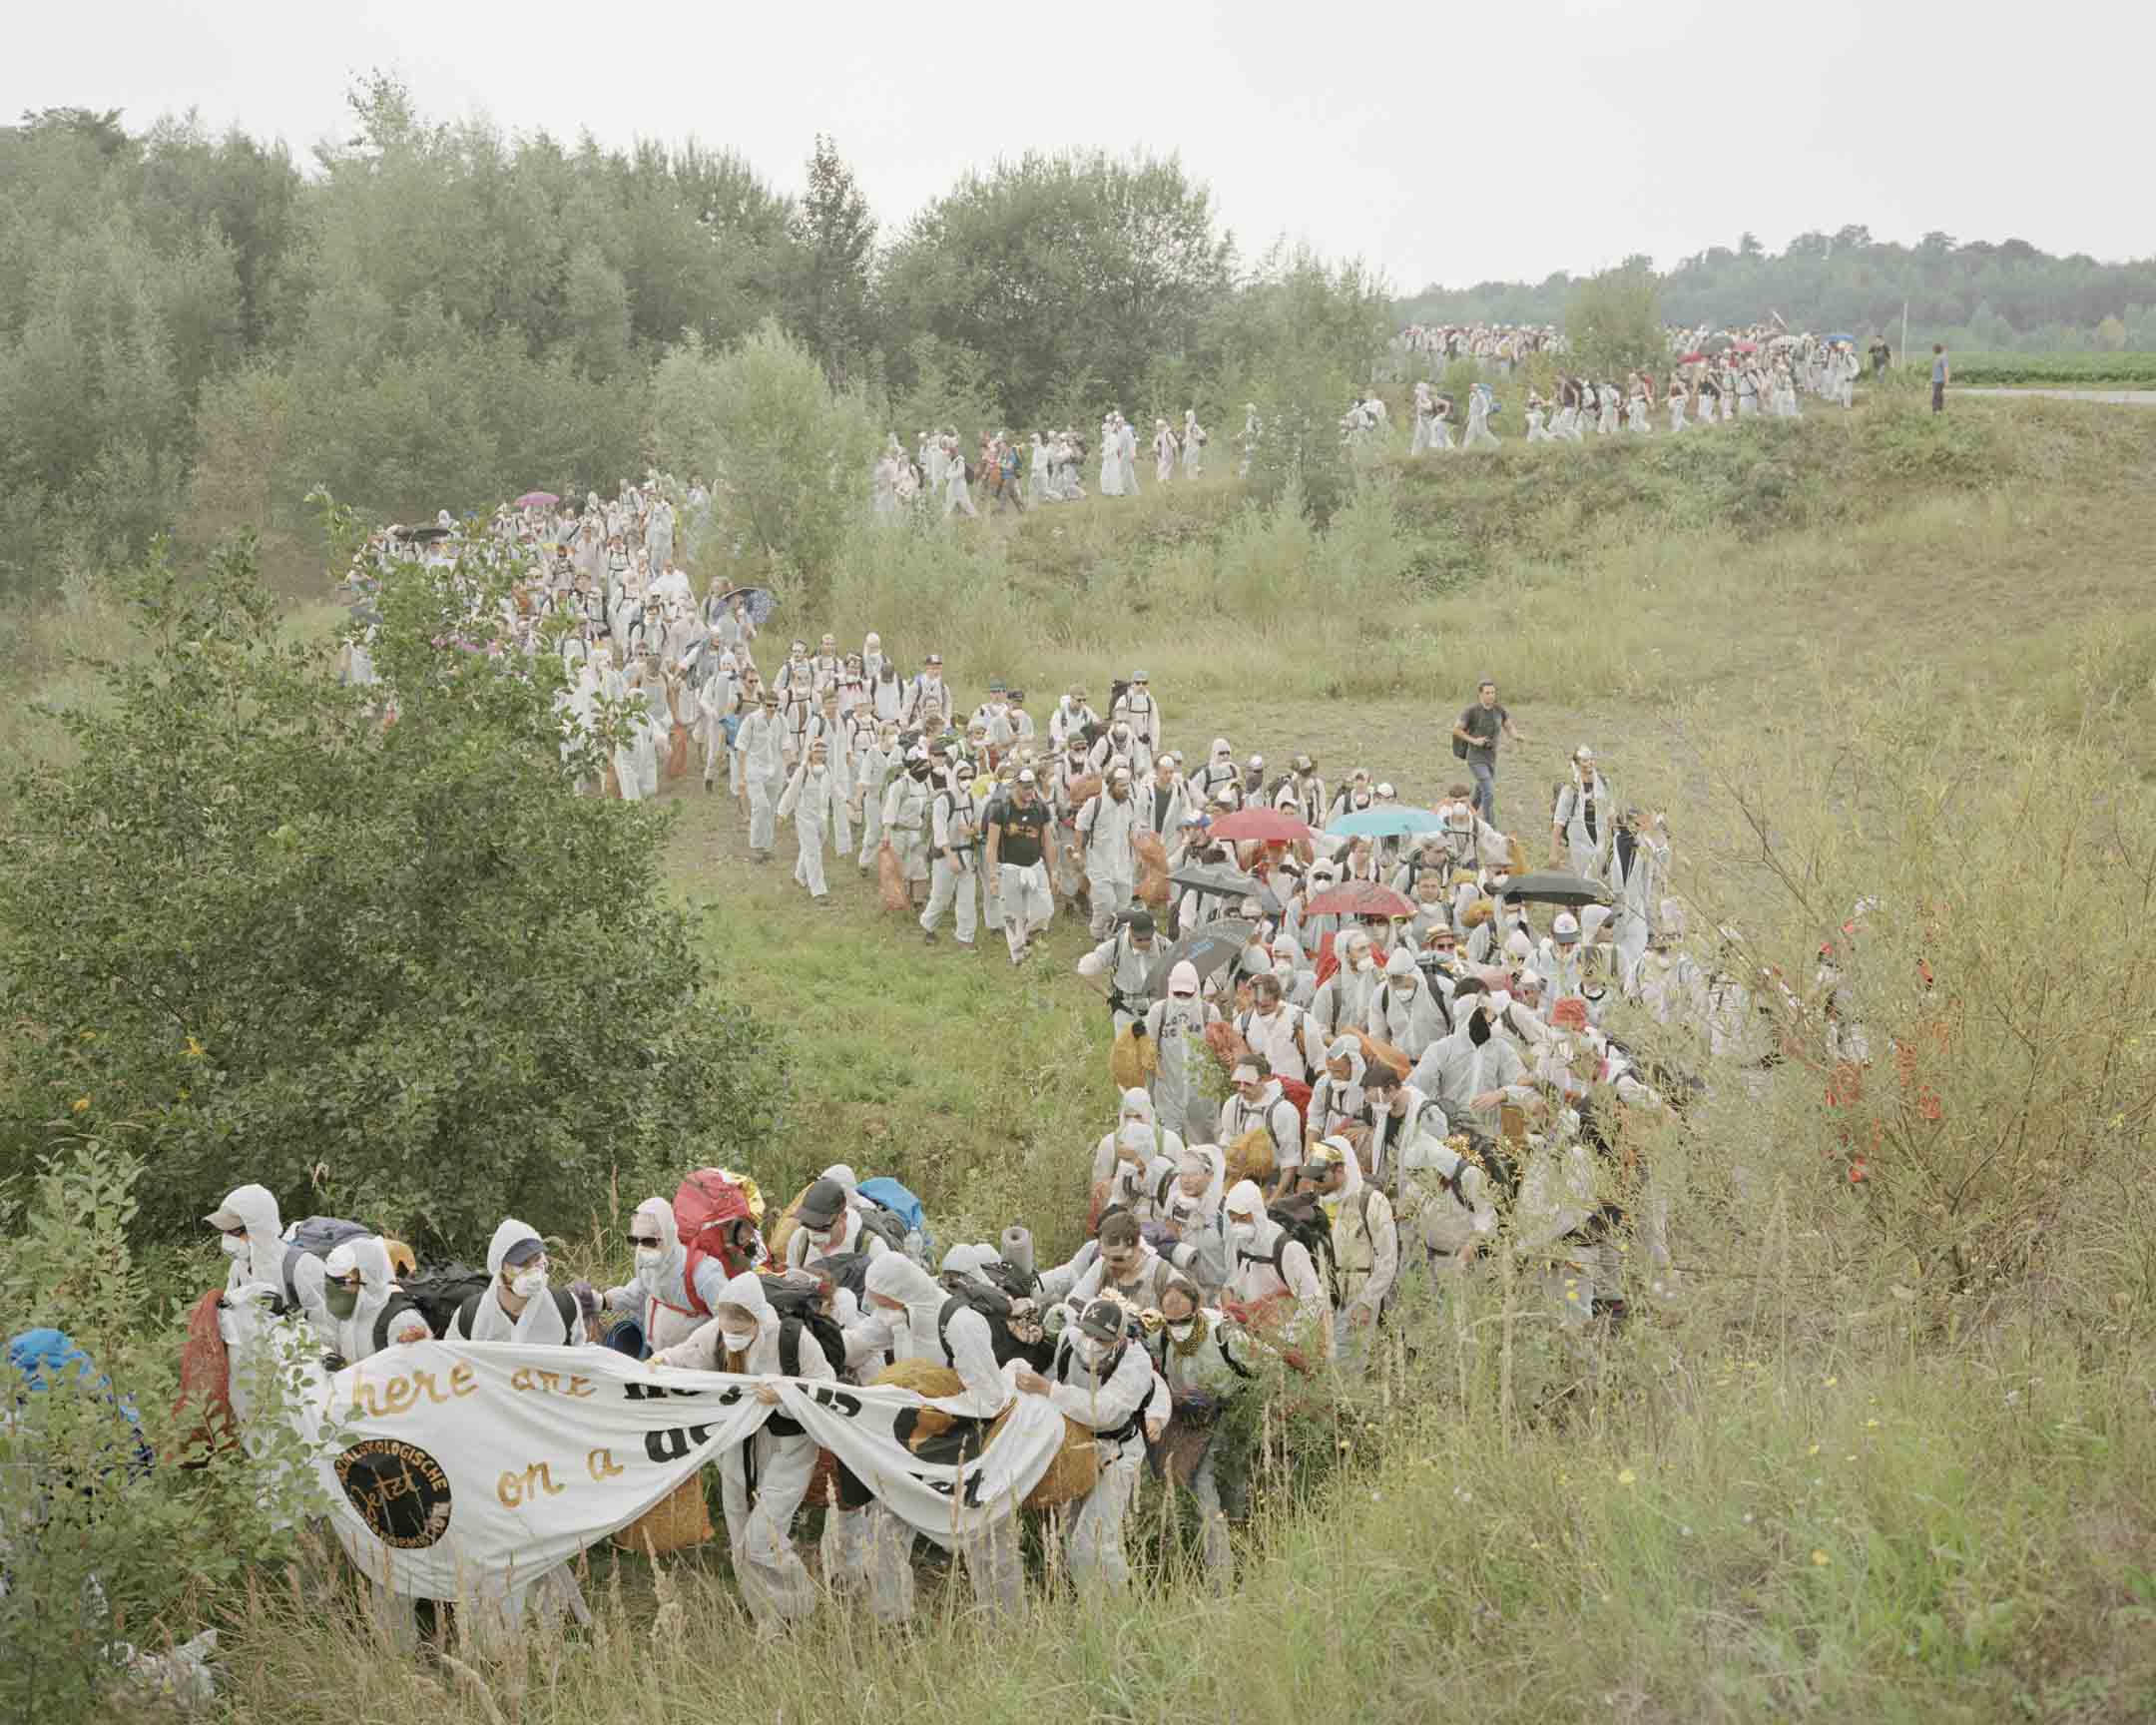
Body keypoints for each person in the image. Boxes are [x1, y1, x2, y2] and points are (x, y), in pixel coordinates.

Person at [650, 1270, 833, 1636]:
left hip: (788, 1446)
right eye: (726, 1320)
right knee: (739, 1537)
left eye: (740, 1322)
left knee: (762, 1539)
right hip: (737, 1444)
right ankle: (766, 1614)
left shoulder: (791, 1340)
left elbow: (825, 1387)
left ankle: (796, 1609)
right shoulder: (716, 1336)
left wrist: (784, 1393)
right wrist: (658, 1363)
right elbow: (687, 1356)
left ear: (757, 1317)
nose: (731, 1330)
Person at [855, 1255, 1022, 1621]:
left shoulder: (961, 1324)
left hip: (966, 1445)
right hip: (915, 1445)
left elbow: (990, 1398)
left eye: (885, 1304)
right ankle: (893, 1621)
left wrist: (926, 1402)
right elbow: (857, 1341)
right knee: (883, 1529)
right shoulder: (902, 1318)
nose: (881, 1312)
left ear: (903, 1294)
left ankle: (1007, 1627)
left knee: (985, 1538)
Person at [1017, 1297, 1161, 1594]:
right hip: (1076, 1444)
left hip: (1118, 1450)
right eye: (1089, 1333)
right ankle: (1093, 1610)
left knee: (1093, 1540)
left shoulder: (1135, 1361)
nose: (1092, 1343)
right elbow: (1054, 1377)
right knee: (1071, 1535)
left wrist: (1050, 1391)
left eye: (1102, 1339)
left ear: (1119, 1338)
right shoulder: (1070, 1342)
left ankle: (1123, 1609)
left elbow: (1106, 1412)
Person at [1151, 1276, 1252, 1585]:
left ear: (1196, 1308)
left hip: (1229, 1415)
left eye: (1184, 1317)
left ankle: (1243, 1549)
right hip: (1191, 1425)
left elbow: (1258, 1366)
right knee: (1200, 1483)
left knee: (1234, 1484)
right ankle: (1220, 1577)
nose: (1178, 1325)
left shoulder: (1222, 1333)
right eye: (1171, 1318)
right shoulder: (1162, 1338)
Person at [1298, 1137, 1398, 1370]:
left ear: (1340, 1170)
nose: (1315, 1184)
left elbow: (1388, 1258)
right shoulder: (1319, 1203)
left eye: (1321, 1177)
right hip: (1326, 1296)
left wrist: (1366, 1302)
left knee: (1348, 1367)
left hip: (1358, 1293)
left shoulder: (1372, 1201)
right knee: (1323, 1365)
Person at [448, 1219, 586, 1344]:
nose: (534, 1270)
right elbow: (451, 1362)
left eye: (537, 1258)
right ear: (500, 1271)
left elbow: (581, 1361)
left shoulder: (565, 1306)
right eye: (522, 1263)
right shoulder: (470, 1316)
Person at [318, 1237, 431, 1366]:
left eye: (338, 1281)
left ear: (364, 1276)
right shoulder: (347, 1312)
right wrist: (329, 1356)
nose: (333, 1288)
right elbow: (327, 1341)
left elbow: (418, 1372)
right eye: (329, 1279)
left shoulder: (402, 1319)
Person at [985, 767, 1055, 963]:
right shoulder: (1001, 810)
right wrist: (993, 876)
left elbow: (1048, 842)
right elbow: (991, 846)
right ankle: (1019, 958)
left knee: (1045, 910)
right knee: (1013, 916)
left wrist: (1054, 872)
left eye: (1032, 787)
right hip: (1010, 870)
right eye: (1025, 788)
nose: (1029, 792)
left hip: (1035, 866)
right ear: (1016, 786)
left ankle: (1030, 940)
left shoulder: (1040, 808)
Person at [1142, 959, 1218, 1135]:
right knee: (1168, 1145)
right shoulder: (1158, 1012)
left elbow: (1218, 1053)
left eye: (1187, 993)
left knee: (1201, 1147)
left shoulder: (1209, 1013)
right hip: (1168, 1092)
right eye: (1178, 993)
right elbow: (1148, 1051)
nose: (1182, 998)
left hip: (1201, 1094)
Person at [918, 757, 978, 948]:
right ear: (955, 777)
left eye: (970, 776)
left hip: (967, 854)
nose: (967, 780)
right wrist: (950, 856)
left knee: (967, 898)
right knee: (941, 896)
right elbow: (940, 831)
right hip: (946, 856)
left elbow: (981, 823)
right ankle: (929, 927)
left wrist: (973, 830)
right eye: (963, 776)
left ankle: (965, 937)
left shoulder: (972, 798)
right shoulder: (944, 800)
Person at [1075, 766, 1142, 939]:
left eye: (1128, 785)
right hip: (1099, 865)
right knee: (1106, 904)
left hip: (1123, 865)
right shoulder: (1095, 804)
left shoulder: (1132, 805)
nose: (1126, 789)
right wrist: (1079, 854)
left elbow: (1132, 833)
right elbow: (1080, 827)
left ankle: (1114, 938)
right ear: (1111, 785)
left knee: (1122, 907)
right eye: (1121, 785)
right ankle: (1097, 933)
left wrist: (1139, 856)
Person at [1452, 679, 1524, 827]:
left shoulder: (1499, 710)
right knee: (1489, 791)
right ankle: (1490, 827)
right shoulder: (1472, 711)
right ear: (1480, 694)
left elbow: (1508, 726)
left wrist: (1516, 736)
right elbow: (1456, 730)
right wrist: (1474, 740)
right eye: (1487, 693)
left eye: (1493, 692)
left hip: (1491, 758)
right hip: (1475, 757)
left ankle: (1466, 817)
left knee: (1480, 792)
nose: (1491, 695)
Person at [1550, 746, 1613, 876]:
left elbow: (1611, 813)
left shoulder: (1604, 784)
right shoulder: (1570, 789)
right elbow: (1559, 821)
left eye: (1591, 759)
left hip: (1600, 840)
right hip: (1578, 842)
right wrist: (1554, 853)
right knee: (1582, 881)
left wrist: (1615, 843)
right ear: (1577, 764)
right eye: (1584, 760)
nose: (1589, 763)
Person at [1930, 342, 1949, 413]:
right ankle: (1937, 411)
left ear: (1936, 350)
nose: (1933, 351)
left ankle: (1937, 411)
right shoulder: (1937, 357)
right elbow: (1935, 370)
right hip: (1935, 380)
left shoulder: (1943, 357)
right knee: (1937, 395)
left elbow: (1946, 369)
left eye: (1933, 349)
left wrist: (1947, 380)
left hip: (1939, 381)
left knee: (1937, 396)